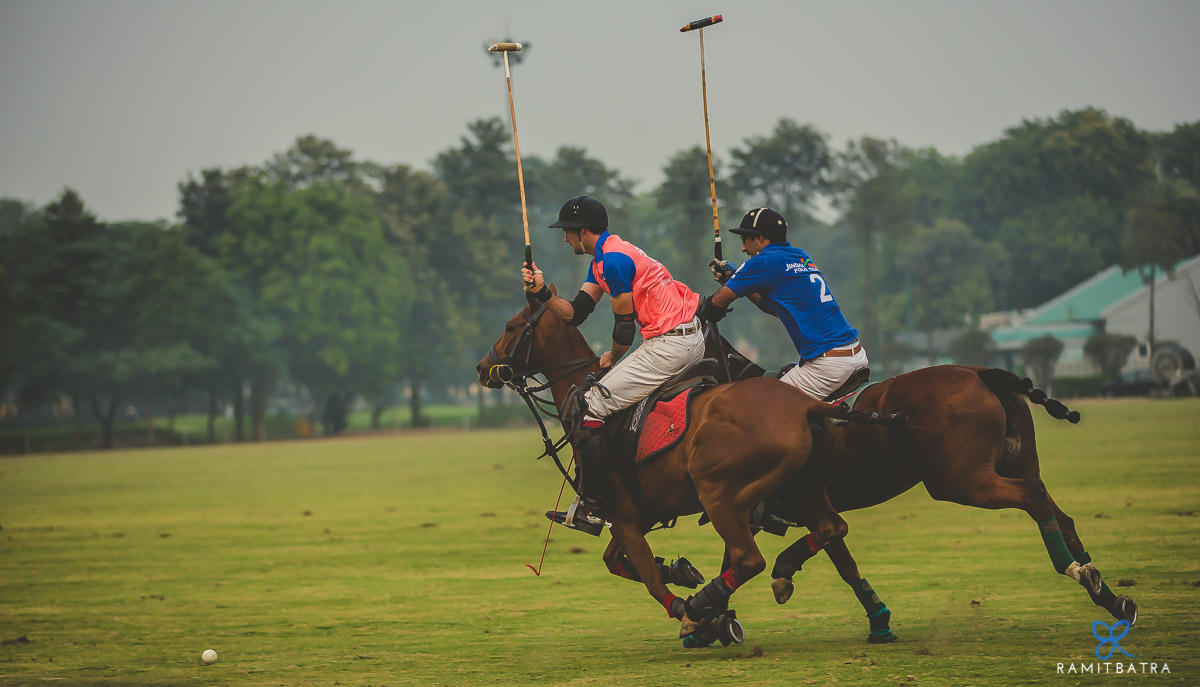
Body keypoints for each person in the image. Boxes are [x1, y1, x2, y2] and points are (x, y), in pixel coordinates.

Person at [522, 195, 704, 535]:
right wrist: (542, 291)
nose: (565, 239)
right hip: (686, 337)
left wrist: (613, 358)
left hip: (670, 344)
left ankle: (596, 506)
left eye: (568, 233)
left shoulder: (616, 261)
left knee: (589, 404)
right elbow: (574, 313)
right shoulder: (604, 258)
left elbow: (624, 326)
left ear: (584, 231)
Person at [698, 207, 868, 401]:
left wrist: (703, 308)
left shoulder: (763, 261)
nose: (743, 248)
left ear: (760, 239)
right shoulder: (801, 257)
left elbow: (714, 305)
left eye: (744, 240)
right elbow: (772, 308)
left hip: (828, 366)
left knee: (761, 411)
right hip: (856, 354)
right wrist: (736, 280)